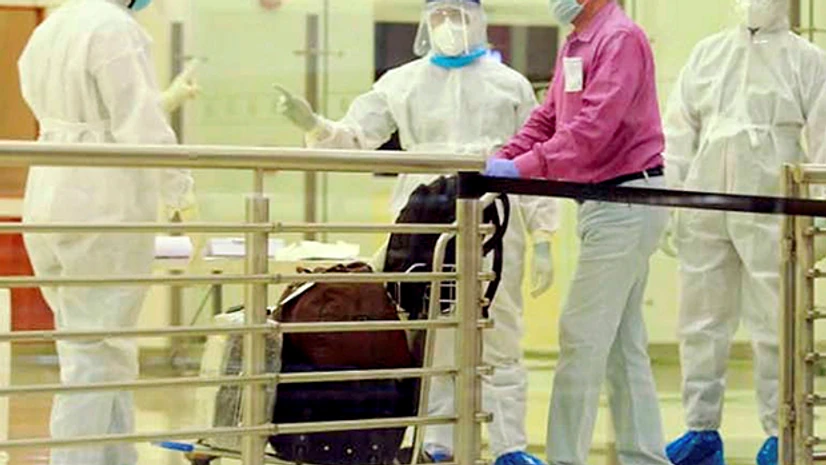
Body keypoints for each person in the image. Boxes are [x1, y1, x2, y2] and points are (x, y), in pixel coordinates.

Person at [274, 1, 559, 463]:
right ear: (426, 23)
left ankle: (510, 446)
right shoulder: (400, 83)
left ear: (479, 20)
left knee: (500, 330)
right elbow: (354, 138)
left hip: (495, 217)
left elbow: (535, 161)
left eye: (459, 16)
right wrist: (314, 124)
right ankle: (438, 441)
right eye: (440, 16)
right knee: (433, 329)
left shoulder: (510, 85)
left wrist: (544, 234)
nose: (450, 26)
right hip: (422, 216)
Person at [487, 1, 671, 465]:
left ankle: (565, 459)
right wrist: (506, 155)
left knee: (580, 335)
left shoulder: (619, 38)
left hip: (628, 201)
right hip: (603, 203)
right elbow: (551, 117)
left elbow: (592, 131)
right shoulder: (578, 40)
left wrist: (522, 168)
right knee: (622, 345)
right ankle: (645, 456)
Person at [17, 0, 198, 464]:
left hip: (50, 194)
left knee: (98, 347)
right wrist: (181, 191)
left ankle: (116, 459)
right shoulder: (115, 27)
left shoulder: (54, 24)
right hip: (101, 202)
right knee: (95, 356)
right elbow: (140, 124)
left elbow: (87, 112)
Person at [660, 1, 826, 464]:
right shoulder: (708, 53)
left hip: (774, 208)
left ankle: (780, 433)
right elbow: (677, 130)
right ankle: (700, 430)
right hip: (704, 204)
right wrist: (672, 200)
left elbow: (824, 141)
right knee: (700, 321)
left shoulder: (808, 60)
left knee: (776, 324)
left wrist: (818, 216)